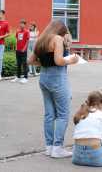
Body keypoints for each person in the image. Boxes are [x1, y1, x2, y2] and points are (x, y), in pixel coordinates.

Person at [28, 20, 78, 158]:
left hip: (44, 77)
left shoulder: (41, 39)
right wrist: (71, 60)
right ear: (61, 31)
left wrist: (45, 63)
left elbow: (30, 61)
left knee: (49, 114)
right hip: (57, 78)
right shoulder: (57, 39)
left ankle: (49, 147)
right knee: (63, 114)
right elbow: (59, 61)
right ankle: (58, 148)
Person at [11, 19, 30, 84]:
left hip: (23, 50)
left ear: (25, 25)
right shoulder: (18, 31)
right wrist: (15, 47)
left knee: (24, 64)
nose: (21, 25)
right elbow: (17, 40)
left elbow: (27, 41)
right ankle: (18, 76)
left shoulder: (27, 32)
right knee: (18, 63)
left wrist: (24, 48)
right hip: (18, 50)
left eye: (22, 24)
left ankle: (25, 77)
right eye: (20, 23)